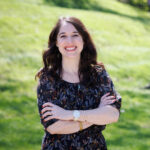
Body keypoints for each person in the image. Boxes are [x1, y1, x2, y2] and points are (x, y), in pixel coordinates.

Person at [36, 16, 122, 150]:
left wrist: (70, 115)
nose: (69, 41)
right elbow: (53, 127)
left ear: (83, 40)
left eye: (75, 35)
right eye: (63, 36)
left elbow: (112, 115)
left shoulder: (98, 75)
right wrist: (96, 114)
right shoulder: (48, 78)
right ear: (57, 42)